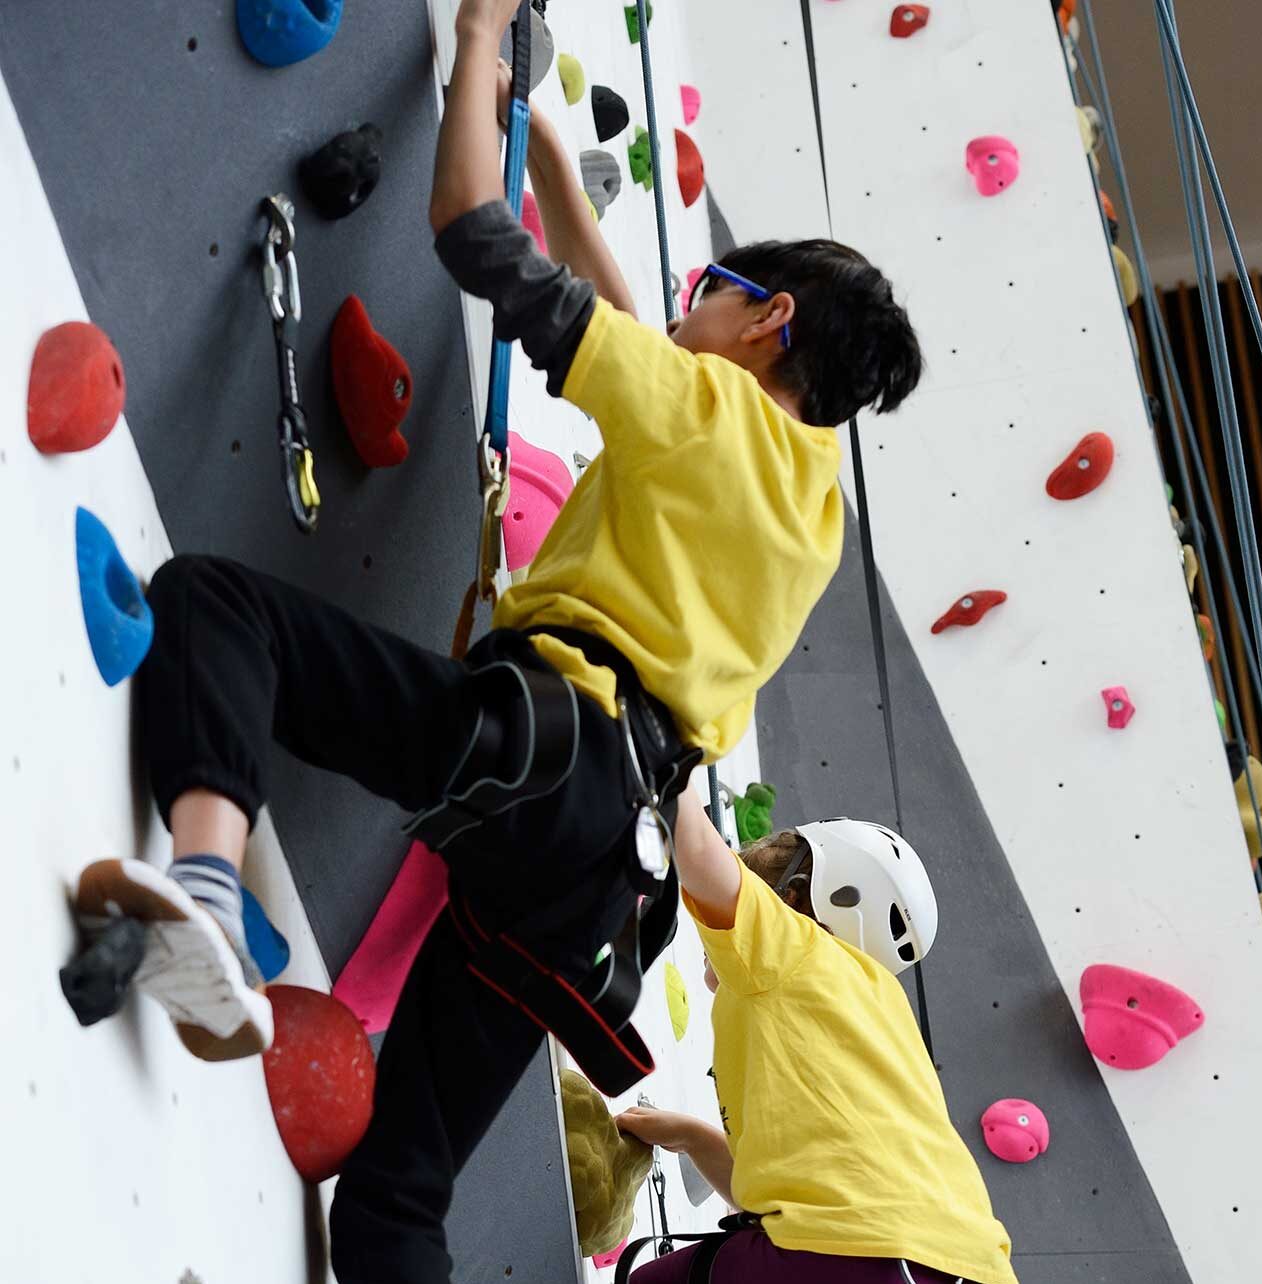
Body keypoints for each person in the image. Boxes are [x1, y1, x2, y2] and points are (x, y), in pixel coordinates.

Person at [69, 0, 923, 1279]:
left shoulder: (696, 403)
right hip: (600, 883)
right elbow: (648, 331)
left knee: (218, 606)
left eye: (717, 291)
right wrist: (549, 147)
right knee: (395, 1205)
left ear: (769, 322)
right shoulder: (809, 514)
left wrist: (473, 47)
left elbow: (470, 229)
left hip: (545, 752)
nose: (686, 305)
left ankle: (200, 888)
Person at [610, 803, 1020, 1284]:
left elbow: (695, 846)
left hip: (859, 1257)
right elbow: (790, 1204)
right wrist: (693, 1138)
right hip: (971, 1268)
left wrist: (661, 746)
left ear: (796, 899)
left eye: (744, 882)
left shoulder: (794, 947)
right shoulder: (874, 1011)